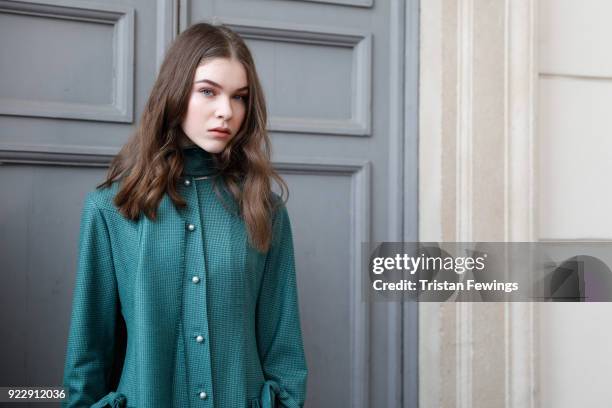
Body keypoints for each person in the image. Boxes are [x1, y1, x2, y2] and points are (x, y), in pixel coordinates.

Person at [61, 22, 308, 408]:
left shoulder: (264, 208)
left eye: (239, 97)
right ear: (175, 94)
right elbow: (88, 352)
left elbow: (284, 348)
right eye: (208, 91)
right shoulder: (111, 209)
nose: (226, 111)